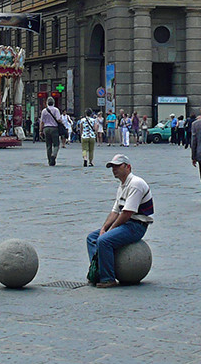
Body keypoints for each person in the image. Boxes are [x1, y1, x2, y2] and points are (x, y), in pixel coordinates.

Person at [85, 154, 153, 288]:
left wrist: (109, 231)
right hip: (126, 223)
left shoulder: (136, 184)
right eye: (112, 167)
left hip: (136, 226)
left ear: (128, 167)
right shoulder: (122, 186)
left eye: (117, 166)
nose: (114, 169)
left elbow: (127, 213)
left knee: (104, 240)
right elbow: (115, 212)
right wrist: (104, 228)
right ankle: (98, 270)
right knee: (92, 238)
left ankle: (108, 278)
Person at [40, 97, 69, 166]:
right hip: (54, 128)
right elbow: (58, 119)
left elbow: (42, 122)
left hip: (46, 128)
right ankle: (53, 155)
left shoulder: (44, 111)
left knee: (48, 145)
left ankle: (50, 160)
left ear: (47, 103)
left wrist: (40, 130)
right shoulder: (56, 110)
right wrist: (62, 122)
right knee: (56, 144)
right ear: (53, 103)